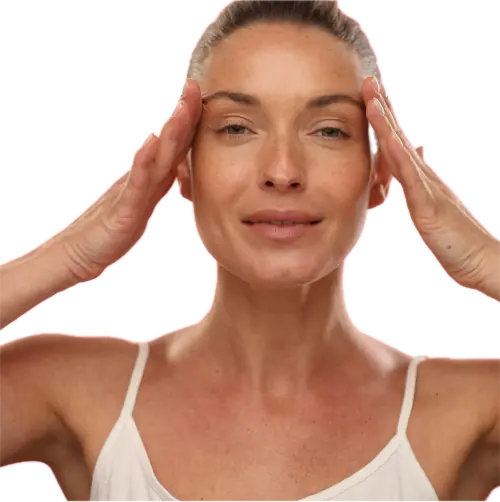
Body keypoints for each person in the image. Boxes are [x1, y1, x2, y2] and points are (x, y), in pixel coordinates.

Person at [0, 0, 499, 500]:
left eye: (329, 130)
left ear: (380, 174)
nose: (282, 171)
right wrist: (74, 253)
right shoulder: (75, 392)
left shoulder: (465, 413)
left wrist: (483, 261)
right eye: (237, 127)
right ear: (183, 166)